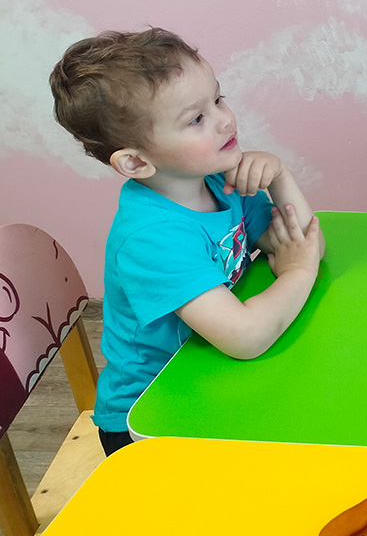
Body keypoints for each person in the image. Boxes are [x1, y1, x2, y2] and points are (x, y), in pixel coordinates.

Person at [49, 28, 324, 456]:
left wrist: (279, 175)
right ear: (136, 161)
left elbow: (302, 241)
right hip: (151, 421)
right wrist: (299, 272)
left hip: (213, 375)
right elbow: (247, 336)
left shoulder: (215, 180)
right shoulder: (151, 238)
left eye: (218, 99)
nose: (225, 120)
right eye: (196, 119)